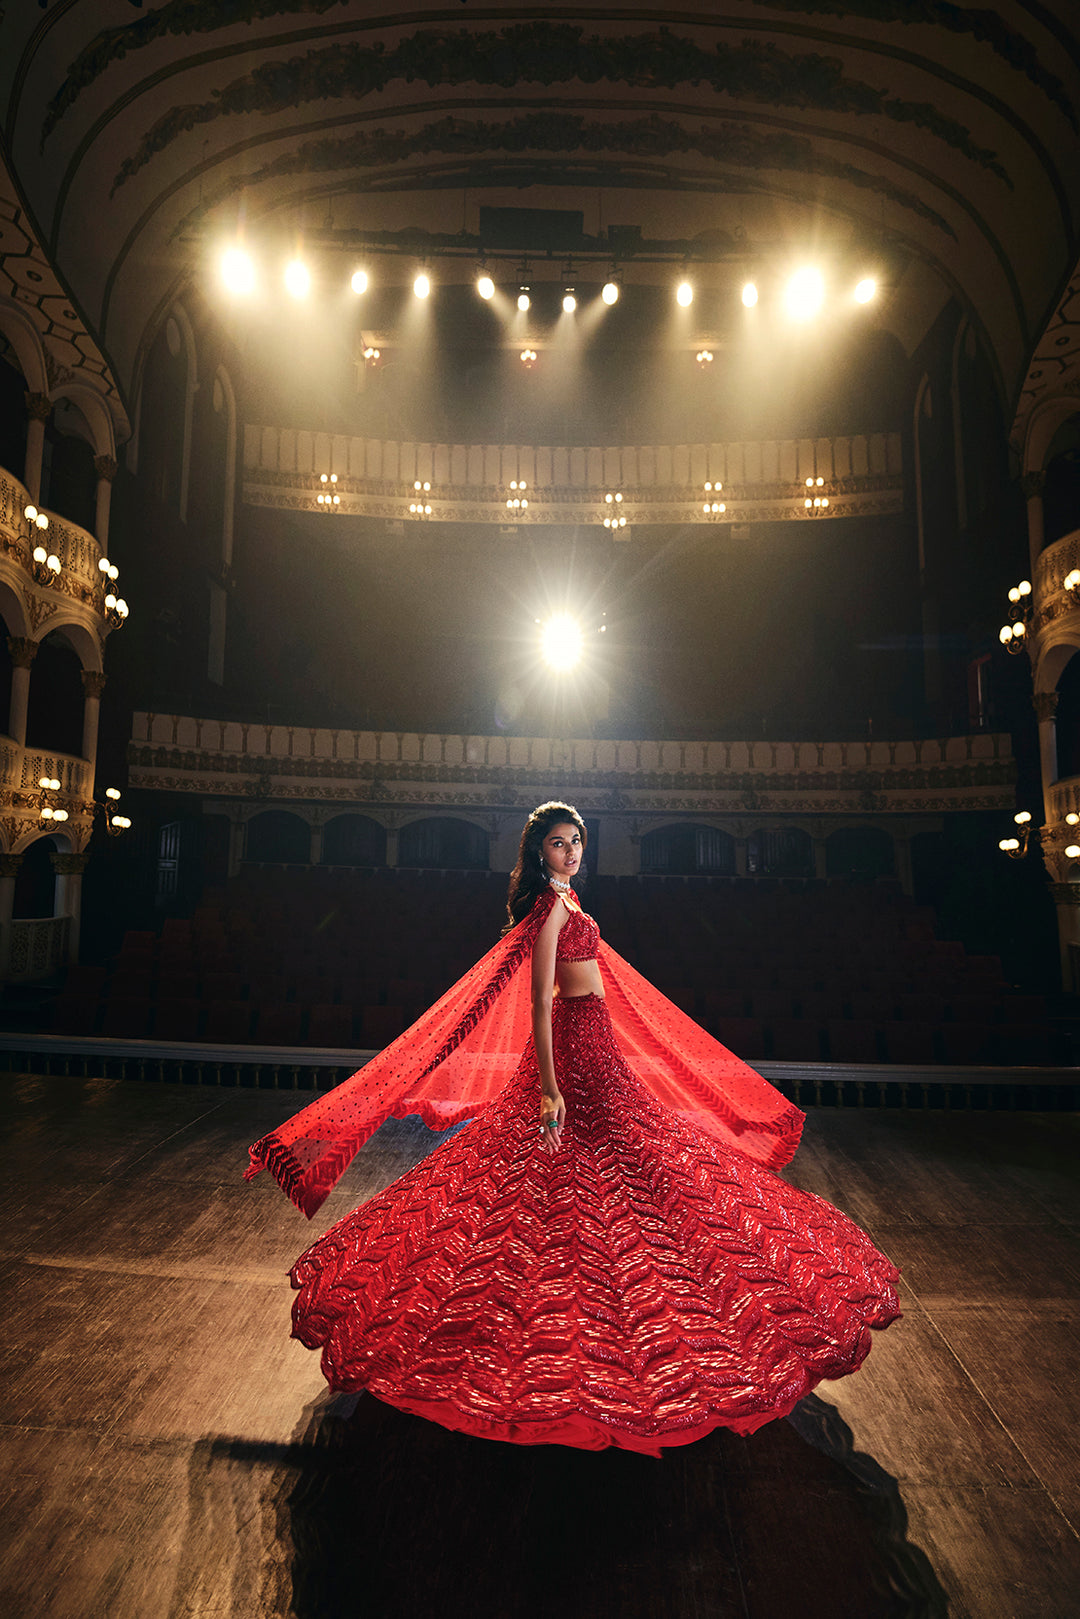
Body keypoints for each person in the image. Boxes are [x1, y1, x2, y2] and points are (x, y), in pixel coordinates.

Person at [246, 800, 899, 1455]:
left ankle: (601, 1320)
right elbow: (540, 1000)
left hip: (596, 1043)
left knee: (626, 1167)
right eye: (558, 844)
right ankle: (554, 1328)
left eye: (576, 841)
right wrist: (551, 1086)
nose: (571, 851)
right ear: (538, 853)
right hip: (572, 1051)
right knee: (579, 1172)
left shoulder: (569, 898)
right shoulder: (552, 911)